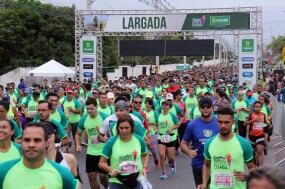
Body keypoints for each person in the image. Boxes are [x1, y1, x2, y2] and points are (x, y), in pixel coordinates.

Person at [0, 122, 77, 189]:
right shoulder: (3, 171)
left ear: (46, 143)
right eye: (27, 140)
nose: (31, 145)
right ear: (21, 142)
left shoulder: (63, 174)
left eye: (37, 140)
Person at [198, 107, 256, 189]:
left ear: (233, 122)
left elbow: (252, 167)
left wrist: (247, 176)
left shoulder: (243, 143)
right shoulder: (209, 143)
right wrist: (204, 184)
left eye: (226, 122)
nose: (223, 125)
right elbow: (206, 165)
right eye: (220, 122)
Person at [99, 115, 149, 189]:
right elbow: (101, 163)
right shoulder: (111, 142)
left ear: (131, 127)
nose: (124, 130)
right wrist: (111, 170)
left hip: (136, 180)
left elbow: (145, 154)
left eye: (126, 128)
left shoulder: (139, 140)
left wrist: (144, 168)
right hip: (117, 181)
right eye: (121, 128)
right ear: (117, 128)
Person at [180, 97, 219, 187]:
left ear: (212, 108)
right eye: (203, 107)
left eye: (208, 107)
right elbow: (183, 143)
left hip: (216, 165)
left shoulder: (219, 123)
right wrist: (189, 151)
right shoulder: (192, 124)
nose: (205, 109)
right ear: (199, 108)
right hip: (198, 165)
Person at [75, 97, 108, 189]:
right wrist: (77, 144)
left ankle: (107, 187)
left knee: (103, 177)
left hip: (103, 152)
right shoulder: (83, 119)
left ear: (96, 107)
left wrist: (107, 138)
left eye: (91, 108)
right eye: (87, 109)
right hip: (91, 152)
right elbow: (78, 134)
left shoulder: (105, 117)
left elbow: (113, 133)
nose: (89, 111)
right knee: (91, 177)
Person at [157, 100, 179, 179]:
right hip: (161, 137)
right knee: (162, 155)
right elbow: (156, 124)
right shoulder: (158, 115)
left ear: (169, 107)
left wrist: (171, 128)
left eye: (166, 105)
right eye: (163, 105)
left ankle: (173, 163)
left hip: (171, 137)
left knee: (170, 157)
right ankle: (163, 173)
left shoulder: (172, 115)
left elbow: (177, 124)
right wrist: (156, 129)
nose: (164, 107)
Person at [245, 101, 269, 167]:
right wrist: (253, 120)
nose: (257, 108)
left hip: (260, 135)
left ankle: (261, 168)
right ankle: (255, 158)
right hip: (251, 136)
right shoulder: (250, 114)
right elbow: (245, 123)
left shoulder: (263, 115)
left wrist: (266, 138)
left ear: (261, 108)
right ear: (253, 107)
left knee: (260, 150)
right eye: (256, 107)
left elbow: (266, 126)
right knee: (252, 153)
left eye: (259, 107)